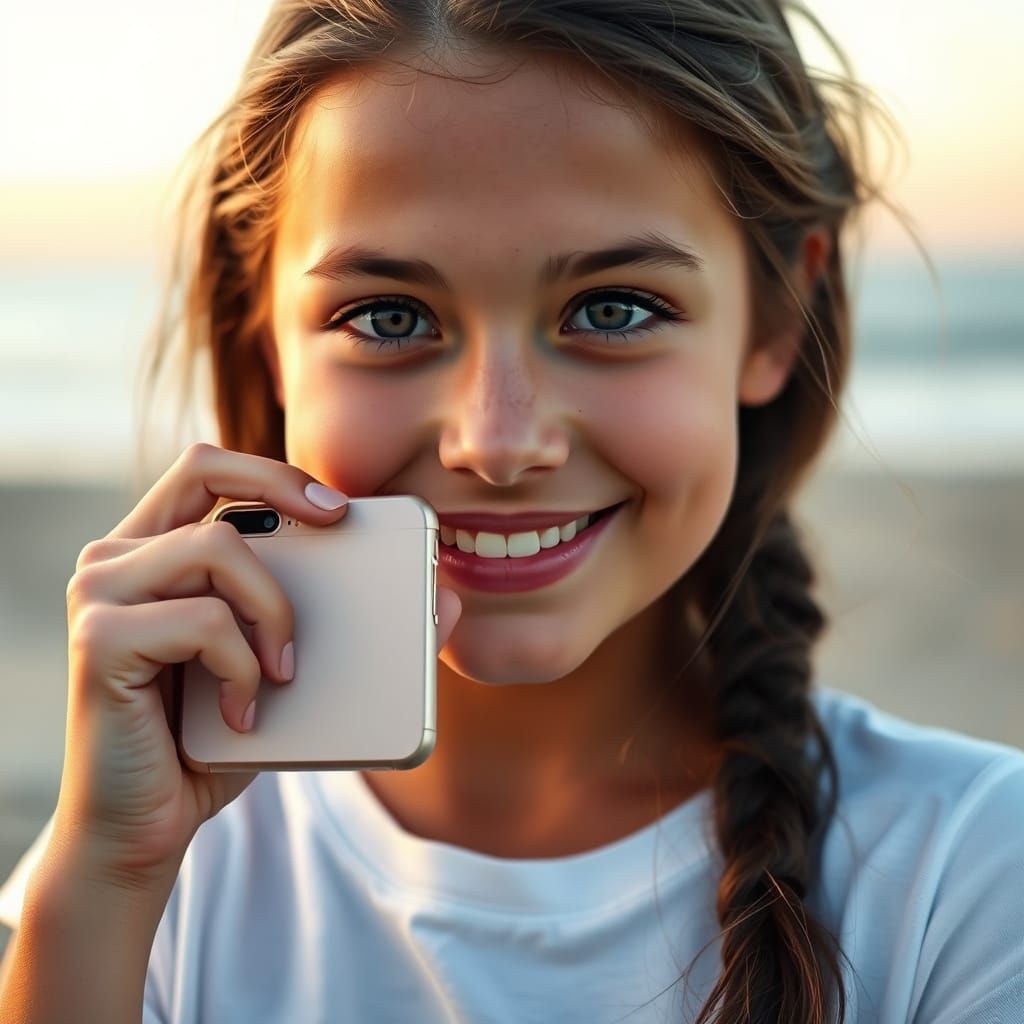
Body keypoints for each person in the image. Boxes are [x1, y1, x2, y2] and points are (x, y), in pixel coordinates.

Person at [1, 1, 1022, 1021]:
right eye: (388, 317)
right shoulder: (144, 875)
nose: (494, 442)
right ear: (264, 334)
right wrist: (105, 884)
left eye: (612, 309)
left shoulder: (967, 874)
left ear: (774, 315)